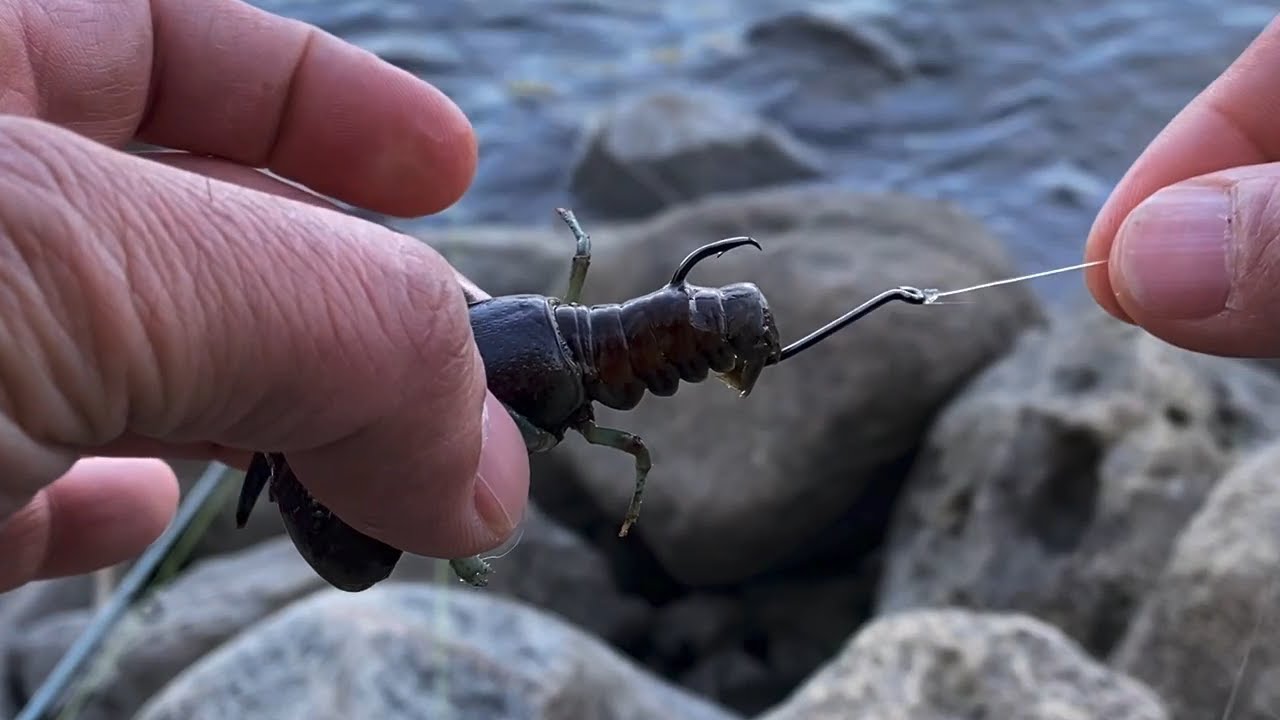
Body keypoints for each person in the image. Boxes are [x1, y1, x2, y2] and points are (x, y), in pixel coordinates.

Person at [1, 1, 1277, 593]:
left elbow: (592, 428)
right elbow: (591, 432)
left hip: (612, 338)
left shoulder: (611, 356)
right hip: (601, 338)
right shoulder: (594, 366)